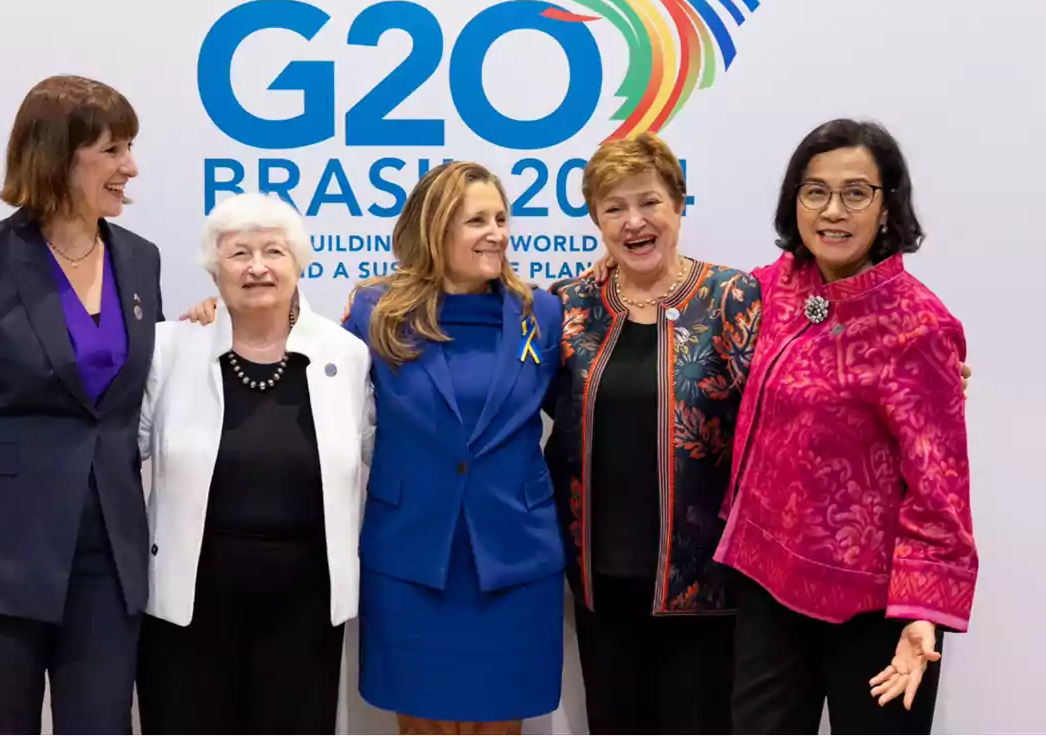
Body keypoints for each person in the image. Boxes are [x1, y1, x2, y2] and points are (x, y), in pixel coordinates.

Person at [0, 75, 162, 734]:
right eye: (114, 150)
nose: (130, 167)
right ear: (58, 155)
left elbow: (145, 386)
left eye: (129, 148)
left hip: (108, 558)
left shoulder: (140, 260)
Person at [714, 119, 978, 734]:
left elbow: (940, 489)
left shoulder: (919, 327)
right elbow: (687, 321)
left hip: (876, 608)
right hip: (767, 586)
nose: (833, 211)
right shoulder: (768, 288)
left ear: (887, 207)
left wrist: (924, 614)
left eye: (856, 193)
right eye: (816, 191)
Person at [544, 132, 759, 734]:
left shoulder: (732, 297)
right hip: (599, 578)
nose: (634, 221)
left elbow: (797, 386)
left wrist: (901, 369)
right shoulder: (570, 304)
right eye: (614, 208)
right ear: (596, 220)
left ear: (678, 206)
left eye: (649, 202)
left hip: (704, 582)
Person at [134, 192, 373, 734]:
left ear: (299, 265)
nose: (258, 267)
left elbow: (377, 455)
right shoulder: (171, 348)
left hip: (305, 602)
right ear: (214, 271)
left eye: (274, 251)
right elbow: (124, 450)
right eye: (239, 254)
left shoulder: (346, 353)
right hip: (190, 597)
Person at [343, 161, 564, 735]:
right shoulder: (376, 312)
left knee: (499, 724)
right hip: (413, 555)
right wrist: (213, 315)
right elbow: (299, 355)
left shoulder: (541, 312)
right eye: (476, 221)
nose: (496, 232)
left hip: (512, 555)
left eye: (500, 218)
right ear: (435, 229)